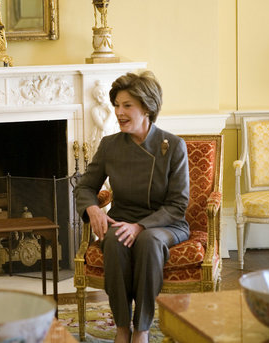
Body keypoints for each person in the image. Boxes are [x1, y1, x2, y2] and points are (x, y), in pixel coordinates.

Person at [74, 71, 189, 343]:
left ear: (147, 107)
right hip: (122, 219)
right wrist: (92, 209)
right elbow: (85, 186)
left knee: (148, 241)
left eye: (127, 105)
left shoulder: (173, 146)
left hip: (165, 223)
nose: (119, 112)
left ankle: (142, 328)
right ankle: (122, 327)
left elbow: (178, 204)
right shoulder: (110, 145)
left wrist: (140, 227)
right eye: (116, 105)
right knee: (113, 242)